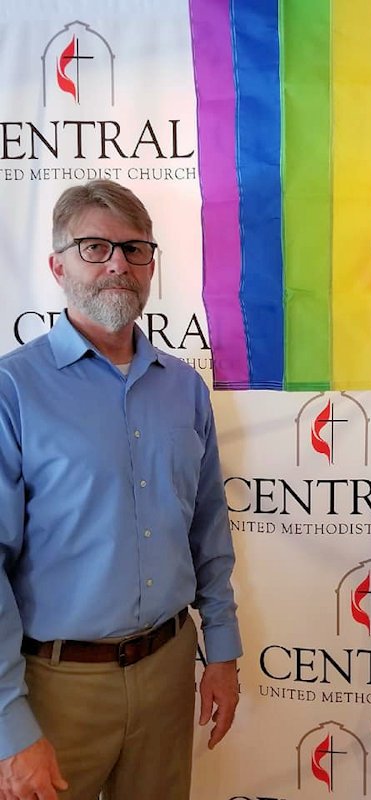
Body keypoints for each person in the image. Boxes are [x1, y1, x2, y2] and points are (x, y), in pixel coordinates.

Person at [0, 180, 242, 800]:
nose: (118, 264)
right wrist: (8, 723)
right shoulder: (13, 391)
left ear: (152, 265)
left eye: (135, 249)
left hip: (168, 672)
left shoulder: (185, 389)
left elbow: (208, 531)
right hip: (55, 688)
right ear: (57, 265)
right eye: (94, 248)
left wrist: (222, 650)